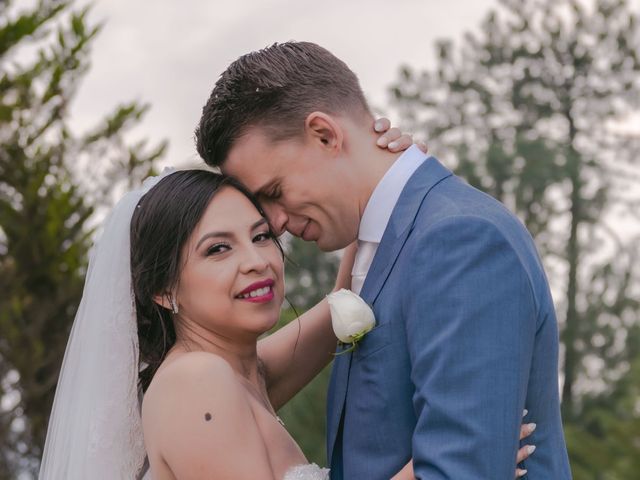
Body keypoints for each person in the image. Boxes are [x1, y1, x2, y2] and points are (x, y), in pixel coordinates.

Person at [38, 135, 536, 479]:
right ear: (163, 290)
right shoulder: (197, 385)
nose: (257, 261)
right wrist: (447, 463)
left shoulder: (242, 373)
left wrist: (383, 175)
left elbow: (350, 296)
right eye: (218, 249)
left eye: (260, 236)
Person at [195, 41, 572, 479]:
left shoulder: (460, 240)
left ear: (324, 134)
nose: (274, 224)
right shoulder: (385, 242)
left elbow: (463, 470)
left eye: (274, 192)